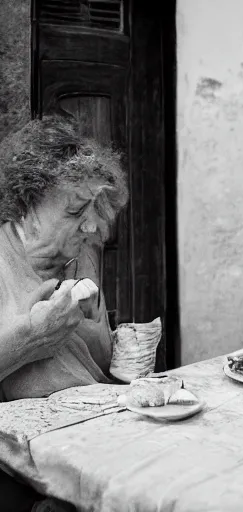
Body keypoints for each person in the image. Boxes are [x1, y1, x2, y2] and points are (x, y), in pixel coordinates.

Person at [0, 116, 128, 509]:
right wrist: (31, 337)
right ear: (26, 207)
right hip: (25, 466)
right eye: (74, 212)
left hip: (97, 441)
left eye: (94, 208)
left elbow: (100, 364)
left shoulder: (83, 253)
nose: (91, 224)